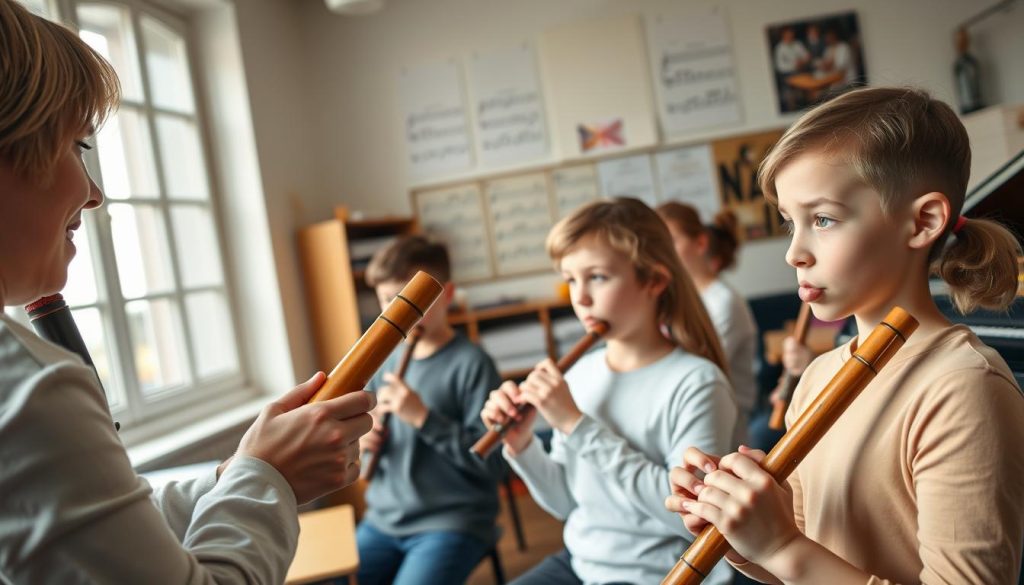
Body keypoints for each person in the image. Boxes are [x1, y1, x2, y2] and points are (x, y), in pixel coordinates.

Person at [0, 1, 375, 581]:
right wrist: (268, 478)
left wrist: (241, 472)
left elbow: (116, 534)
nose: (94, 193)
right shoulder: (29, 391)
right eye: (78, 147)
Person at [666, 87, 1024, 584]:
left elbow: (796, 555)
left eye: (823, 219)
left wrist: (782, 546)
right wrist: (741, 531)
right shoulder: (817, 376)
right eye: (791, 222)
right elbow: (806, 560)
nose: (795, 253)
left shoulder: (963, 387)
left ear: (923, 222)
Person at [483, 197, 738, 585]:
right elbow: (566, 504)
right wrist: (521, 445)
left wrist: (575, 424)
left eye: (597, 277)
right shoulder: (582, 375)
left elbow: (688, 518)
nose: (580, 297)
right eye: (571, 279)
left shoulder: (696, 383)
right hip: (582, 564)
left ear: (654, 280)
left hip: (663, 573)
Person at [357, 235, 504, 585]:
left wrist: (423, 418)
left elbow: (493, 465)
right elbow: (362, 463)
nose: (399, 315)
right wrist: (363, 444)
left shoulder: (472, 365)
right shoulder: (383, 362)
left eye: (410, 301)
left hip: (452, 521)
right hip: (383, 520)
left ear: (447, 295)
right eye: (387, 302)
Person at [657, 203, 758, 445]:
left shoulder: (724, 303)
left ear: (700, 244)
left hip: (723, 424)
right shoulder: (677, 300)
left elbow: (699, 367)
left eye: (671, 241)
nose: (663, 252)